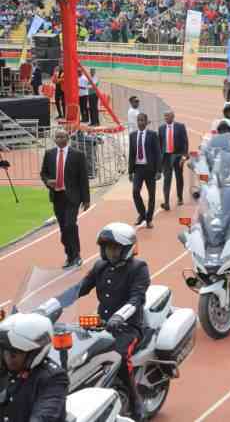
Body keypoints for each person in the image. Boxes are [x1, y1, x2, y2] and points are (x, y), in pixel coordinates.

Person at [72, 223, 150, 420]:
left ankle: (135, 401)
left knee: (121, 356)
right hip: (101, 324)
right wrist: (52, 303)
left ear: (126, 249)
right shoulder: (100, 266)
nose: (111, 252)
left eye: (115, 248)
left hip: (128, 327)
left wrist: (119, 316)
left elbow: (137, 298)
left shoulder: (139, 268)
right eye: (107, 248)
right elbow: (79, 288)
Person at [0, 313, 68, 422]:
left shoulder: (53, 378)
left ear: (34, 353)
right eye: (4, 351)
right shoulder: (6, 369)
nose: (8, 358)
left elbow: (44, 416)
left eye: (14, 354)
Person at [40, 129, 90, 268]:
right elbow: (43, 173)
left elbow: (83, 178)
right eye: (57, 137)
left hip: (73, 197)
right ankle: (70, 255)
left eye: (62, 136)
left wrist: (86, 199)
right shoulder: (49, 154)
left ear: (67, 138)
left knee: (70, 225)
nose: (59, 139)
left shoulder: (77, 155)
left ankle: (77, 255)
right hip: (57, 196)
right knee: (63, 228)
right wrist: (47, 181)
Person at [128, 113, 161, 228]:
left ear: (146, 122)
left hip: (150, 169)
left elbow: (157, 153)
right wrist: (130, 171)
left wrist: (158, 171)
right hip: (138, 169)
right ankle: (142, 214)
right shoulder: (132, 135)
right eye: (139, 120)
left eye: (142, 120)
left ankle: (149, 219)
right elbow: (131, 154)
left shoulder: (152, 135)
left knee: (151, 195)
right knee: (135, 192)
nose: (140, 122)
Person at [159, 111, 189, 211]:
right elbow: (159, 144)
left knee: (179, 177)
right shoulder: (161, 128)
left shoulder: (180, 126)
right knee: (167, 179)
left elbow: (185, 141)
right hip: (166, 157)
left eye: (167, 116)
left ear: (173, 116)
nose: (166, 117)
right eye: (165, 116)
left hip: (178, 155)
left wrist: (184, 155)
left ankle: (180, 197)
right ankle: (166, 202)